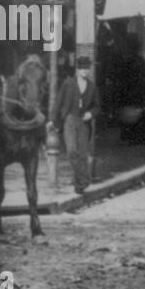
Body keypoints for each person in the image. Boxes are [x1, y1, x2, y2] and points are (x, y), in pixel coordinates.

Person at [49, 54, 98, 195]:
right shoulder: (68, 84)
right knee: (71, 151)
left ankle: (79, 186)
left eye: (87, 69)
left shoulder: (92, 87)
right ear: (77, 70)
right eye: (82, 69)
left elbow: (97, 107)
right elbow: (58, 102)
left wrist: (91, 113)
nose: (85, 71)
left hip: (84, 123)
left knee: (82, 154)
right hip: (70, 120)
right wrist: (52, 119)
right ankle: (83, 178)